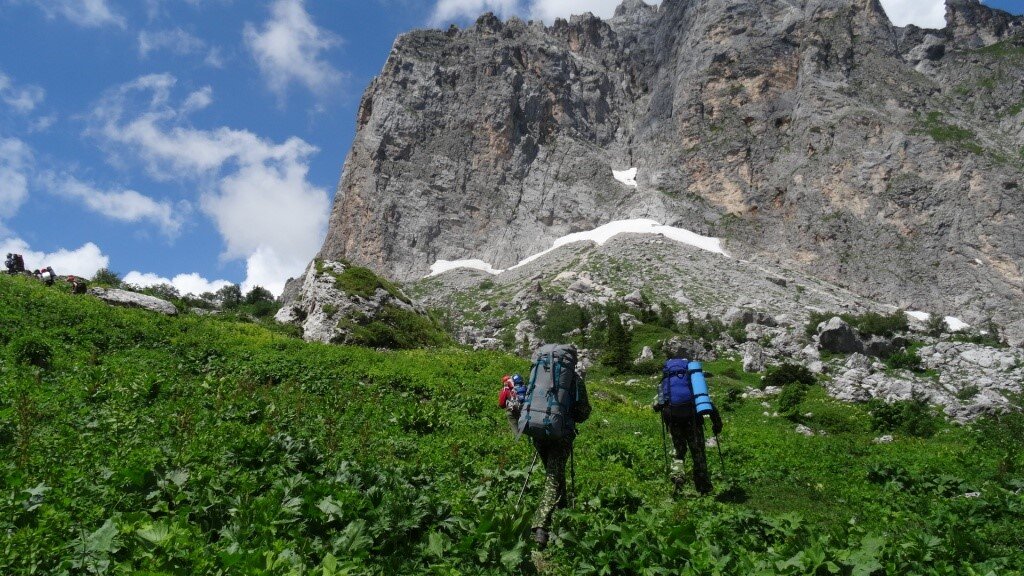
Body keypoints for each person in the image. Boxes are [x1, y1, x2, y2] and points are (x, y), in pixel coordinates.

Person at [527, 365, 590, 550]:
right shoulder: (575, 380)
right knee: (553, 478)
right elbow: (582, 412)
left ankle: (563, 514)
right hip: (561, 434)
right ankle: (540, 526)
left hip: (538, 431)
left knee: (554, 472)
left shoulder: (540, 373)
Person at [654, 359, 723, 495]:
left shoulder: (665, 382)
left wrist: (661, 408)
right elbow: (706, 401)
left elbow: (658, 405)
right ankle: (704, 488)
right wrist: (717, 423)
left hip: (674, 422)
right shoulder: (693, 382)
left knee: (679, 452)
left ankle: (677, 479)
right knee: (698, 454)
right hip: (693, 421)